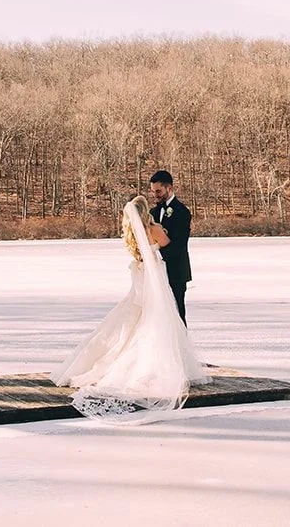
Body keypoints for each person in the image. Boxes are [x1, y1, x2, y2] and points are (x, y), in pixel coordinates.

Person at [50, 192, 209, 415]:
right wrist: (162, 231)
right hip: (153, 273)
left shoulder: (132, 232)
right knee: (158, 314)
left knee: (137, 312)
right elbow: (167, 244)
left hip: (140, 273)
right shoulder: (153, 229)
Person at [147, 169, 192, 324]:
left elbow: (179, 244)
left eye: (158, 191)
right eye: (153, 191)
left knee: (177, 313)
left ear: (169, 188)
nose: (155, 195)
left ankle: (181, 347)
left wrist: (158, 254)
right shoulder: (152, 212)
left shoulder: (182, 212)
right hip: (157, 272)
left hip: (176, 271)